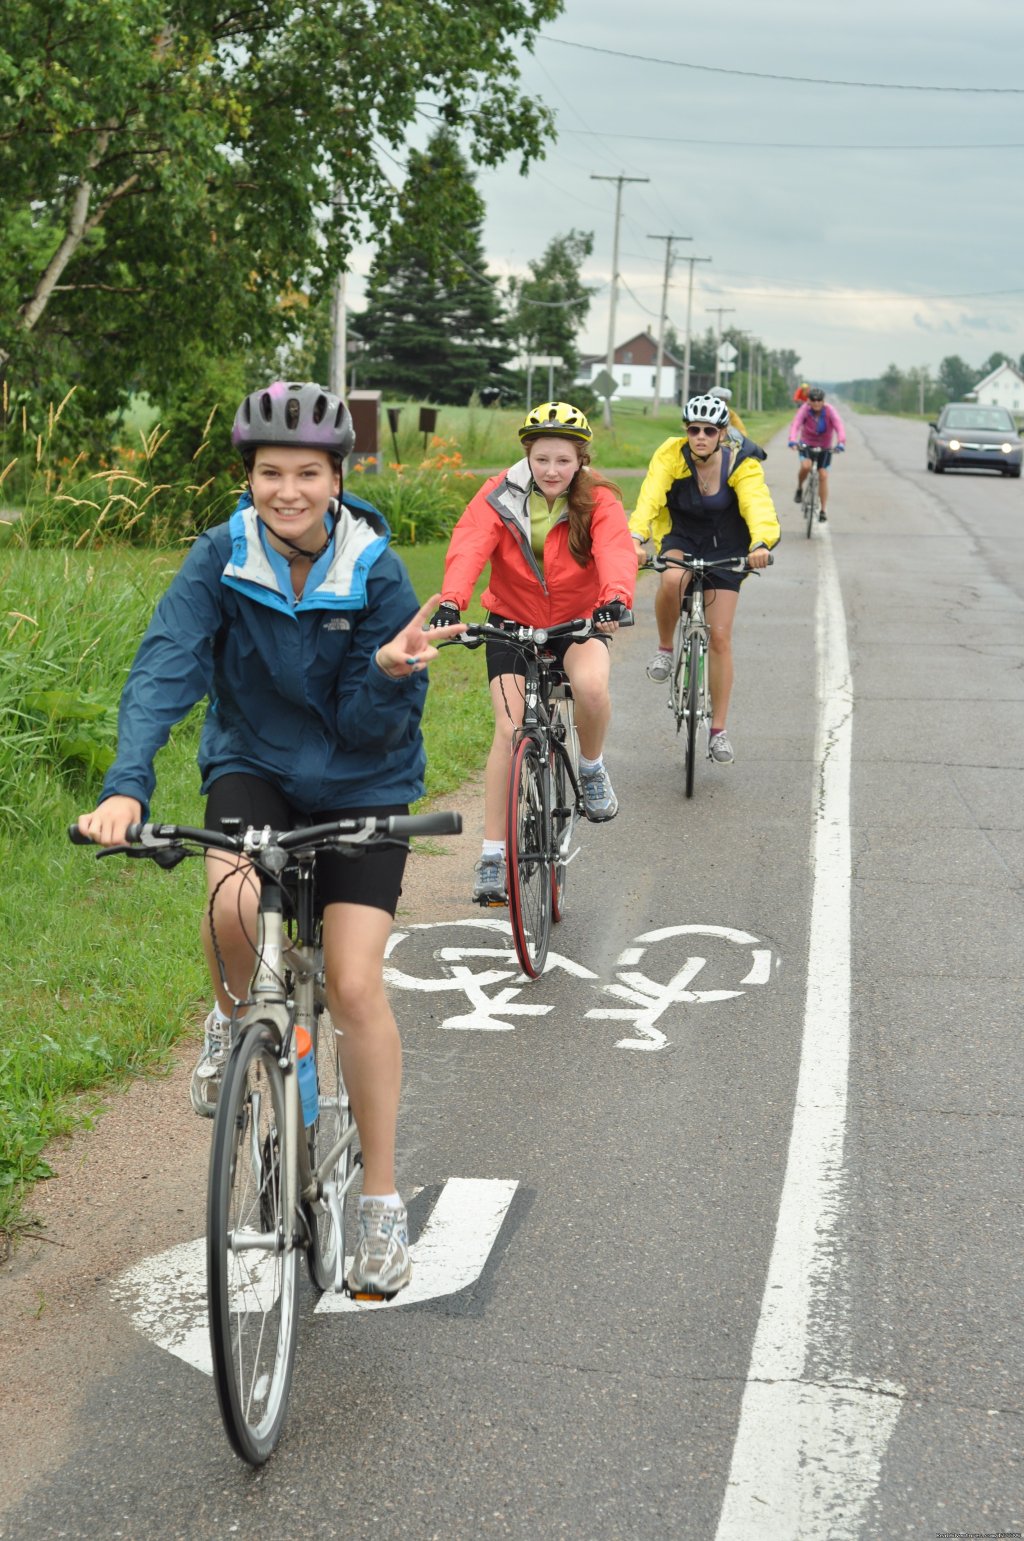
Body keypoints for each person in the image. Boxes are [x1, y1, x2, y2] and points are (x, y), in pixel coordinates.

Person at [76, 380, 465, 1300]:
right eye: (268, 472)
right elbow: (167, 663)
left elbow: (376, 726)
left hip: (365, 779)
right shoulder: (221, 556)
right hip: (254, 764)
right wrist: (127, 786)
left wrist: (384, 668)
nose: (286, 489)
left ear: (338, 477)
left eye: (306, 473)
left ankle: (378, 1206)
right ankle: (235, 1019)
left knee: (357, 981)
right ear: (248, 476)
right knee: (234, 903)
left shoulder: (375, 568)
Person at [429, 400, 636, 905]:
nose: (551, 470)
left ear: (580, 460)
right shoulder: (498, 495)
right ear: (528, 454)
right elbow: (470, 544)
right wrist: (452, 601)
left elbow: (616, 549)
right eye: (542, 459)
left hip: (579, 619)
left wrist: (615, 598)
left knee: (589, 687)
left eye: (563, 461)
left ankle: (590, 768)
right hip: (511, 620)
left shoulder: (600, 500)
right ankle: (493, 856)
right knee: (509, 728)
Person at [628, 393, 780, 764]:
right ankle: (665, 650)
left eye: (708, 430)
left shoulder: (742, 461)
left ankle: (719, 731)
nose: (699, 436)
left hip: (725, 544)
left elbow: (757, 503)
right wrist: (635, 536)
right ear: (686, 430)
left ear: (722, 433)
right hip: (681, 536)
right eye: (693, 429)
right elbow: (650, 496)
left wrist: (761, 541)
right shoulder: (671, 455)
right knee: (671, 580)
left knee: (721, 637)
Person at [787, 386, 846, 521]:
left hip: (825, 447)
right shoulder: (805, 410)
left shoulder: (830, 411)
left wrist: (841, 442)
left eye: (819, 400)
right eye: (813, 400)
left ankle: (823, 510)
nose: (816, 403)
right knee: (806, 466)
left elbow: (839, 426)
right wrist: (792, 440)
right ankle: (799, 488)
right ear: (808, 400)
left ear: (823, 401)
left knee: (823, 475)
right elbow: (796, 424)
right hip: (807, 444)